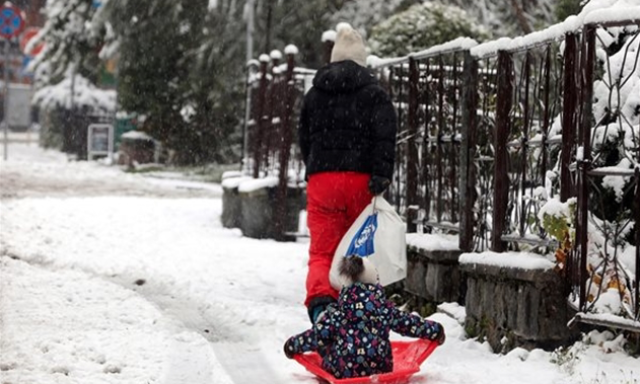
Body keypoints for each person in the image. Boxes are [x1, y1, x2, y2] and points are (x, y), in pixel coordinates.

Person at [299, 22, 398, 323]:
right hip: (361, 181)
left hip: (323, 180)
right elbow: (385, 136)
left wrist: (316, 167)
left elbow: (304, 138)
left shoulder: (314, 95)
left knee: (322, 252)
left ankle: (321, 310)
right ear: (362, 61)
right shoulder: (375, 95)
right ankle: (357, 314)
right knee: (357, 251)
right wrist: (381, 175)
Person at [283, 257, 445, 379]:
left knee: (325, 339)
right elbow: (409, 323)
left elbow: (316, 335)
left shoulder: (338, 313)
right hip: (380, 369)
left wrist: (293, 345)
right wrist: (435, 330)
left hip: (342, 372)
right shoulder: (383, 309)